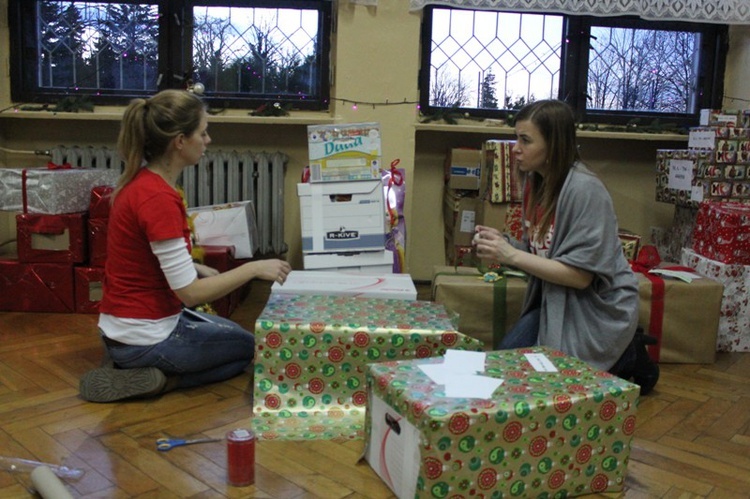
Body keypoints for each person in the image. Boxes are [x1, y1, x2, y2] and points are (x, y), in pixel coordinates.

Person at [79, 89, 291, 403]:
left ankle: (126, 362)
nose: (208, 140)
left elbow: (139, 258)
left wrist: (192, 265)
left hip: (123, 327)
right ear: (180, 141)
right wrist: (254, 268)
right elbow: (189, 294)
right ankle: (160, 380)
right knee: (249, 348)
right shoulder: (159, 198)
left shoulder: (139, 182)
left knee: (233, 336)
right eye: (202, 133)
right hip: (147, 335)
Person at [472, 99, 659, 394]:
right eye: (515, 138)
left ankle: (628, 353)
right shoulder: (537, 183)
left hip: (595, 308)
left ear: (553, 145)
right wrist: (504, 245)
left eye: (525, 140)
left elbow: (579, 276)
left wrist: (512, 255)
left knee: (539, 385)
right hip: (555, 302)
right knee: (500, 365)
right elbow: (542, 252)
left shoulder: (586, 190)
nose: (515, 148)